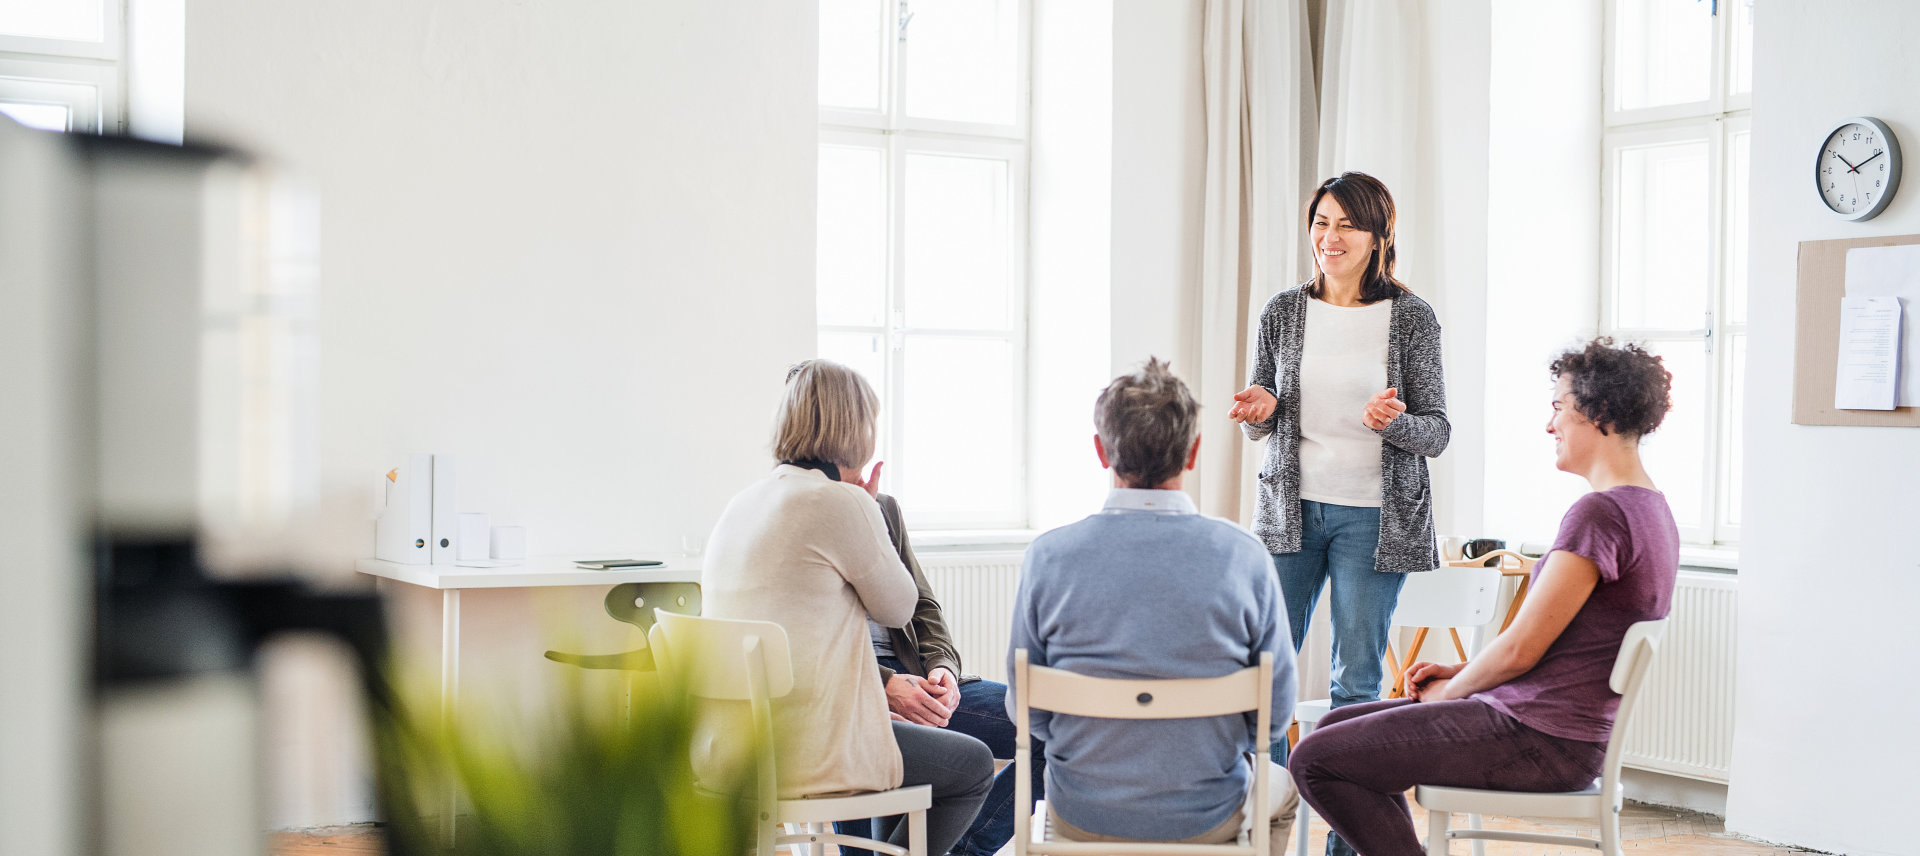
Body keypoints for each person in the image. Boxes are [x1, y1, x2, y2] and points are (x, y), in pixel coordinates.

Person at [1287, 338, 1680, 856]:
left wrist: (1453, 694)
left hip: (1541, 738)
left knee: (1315, 759)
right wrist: (1460, 675)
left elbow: (1522, 649)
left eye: (1558, 408)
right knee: (1340, 725)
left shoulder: (1599, 516)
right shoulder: (1652, 510)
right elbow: (1558, 646)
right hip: (1551, 730)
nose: (1550, 425)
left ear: (1598, 413)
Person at [698, 360, 993, 856]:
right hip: (813, 745)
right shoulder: (840, 502)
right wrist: (867, 510)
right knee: (972, 767)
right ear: (857, 429)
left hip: (733, 746)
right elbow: (900, 608)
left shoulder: (742, 504)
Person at [1006, 358, 1298, 849]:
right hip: (1206, 817)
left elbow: (1026, 712)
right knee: (1285, 792)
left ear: (1101, 451)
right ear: (1193, 452)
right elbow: (1271, 719)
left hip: (1082, 814)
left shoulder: (1049, 557)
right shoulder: (1244, 556)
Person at [765, 364, 1040, 856]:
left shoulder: (880, 506)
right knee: (935, 765)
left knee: (1049, 725)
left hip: (915, 685)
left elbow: (922, 608)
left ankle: (963, 849)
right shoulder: (798, 512)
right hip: (853, 707)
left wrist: (942, 670)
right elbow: (877, 615)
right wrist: (886, 685)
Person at [1227, 171, 1447, 720]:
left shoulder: (1411, 317)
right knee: (1262, 674)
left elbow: (1437, 431)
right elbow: (1260, 419)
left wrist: (1394, 423)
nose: (1331, 237)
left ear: (1378, 237)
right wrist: (1260, 412)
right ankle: (1270, 800)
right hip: (1289, 512)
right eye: (1321, 223)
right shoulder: (1282, 311)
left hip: (1374, 519)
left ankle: (1344, 799)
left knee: (1356, 679)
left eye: (1347, 225)